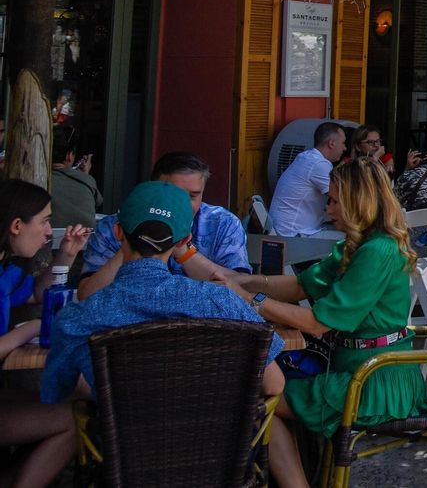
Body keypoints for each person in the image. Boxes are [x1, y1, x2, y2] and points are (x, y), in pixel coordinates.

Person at [219, 157, 427, 488]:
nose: (327, 209)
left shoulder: (376, 251)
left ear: (356, 201)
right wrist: (241, 280)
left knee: (257, 405)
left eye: (333, 200)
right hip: (363, 370)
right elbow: (300, 286)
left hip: (373, 381)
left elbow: (318, 324)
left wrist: (252, 301)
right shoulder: (358, 245)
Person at [42, 181, 286, 402]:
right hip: (215, 447)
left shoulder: (78, 319)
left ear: (118, 233)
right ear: (184, 240)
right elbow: (274, 384)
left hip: (121, 447)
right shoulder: (220, 301)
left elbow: (55, 393)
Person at [0, 180, 87, 488]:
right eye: (46, 221)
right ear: (15, 225)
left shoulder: (5, 271)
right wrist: (36, 327)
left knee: (63, 406)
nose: (50, 232)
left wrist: (65, 256)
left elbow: (37, 294)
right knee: (69, 420)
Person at [78, 152, 249, 300]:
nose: (182, 205)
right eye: (173, 195)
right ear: (153, 189)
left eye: (193, 196)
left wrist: (183, 250)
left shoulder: (222, 223)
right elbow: (88, 296)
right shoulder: (115, 226)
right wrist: (131, 242)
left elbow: (242, 290)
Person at [269, 121, 345, 237]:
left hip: (285, 229)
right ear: (332, 143)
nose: (344, 148)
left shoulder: (307, 158)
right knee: (348, 240)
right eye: (343, 143)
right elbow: (343, 197)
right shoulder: (319, 164)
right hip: (294, 234)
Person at [47, 126, 98, 230]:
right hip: (81, 243)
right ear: (69, 156)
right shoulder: (87, 181)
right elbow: (95, 203)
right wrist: (85, 175)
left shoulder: (36, 180)